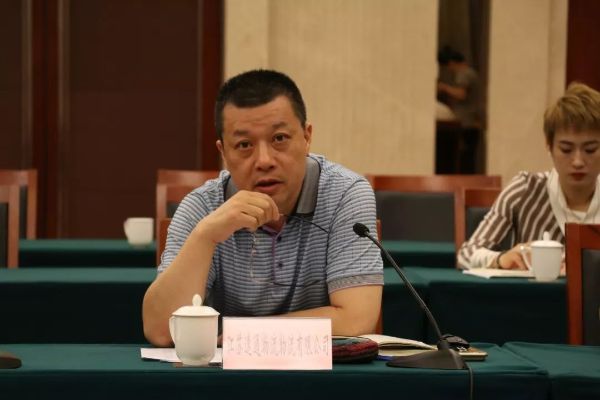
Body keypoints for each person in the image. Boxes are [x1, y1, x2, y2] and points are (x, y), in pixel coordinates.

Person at [143, 69, 383, 346]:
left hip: (319, 371)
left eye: (279, 138)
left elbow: (356, 319)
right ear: (223, 152)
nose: (264, 160)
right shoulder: (203, 206)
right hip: (226, 372)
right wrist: (205, 236)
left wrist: (244, 333)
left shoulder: (345, 194)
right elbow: (162, 331)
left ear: (306, 137)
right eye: (244, 144)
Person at [458, 82, 600, 270]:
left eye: (590, 150)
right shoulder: (525, 188)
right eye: (566, 149)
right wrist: (501, 259)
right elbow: (466, 254)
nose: (578, 161)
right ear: (549, 146)